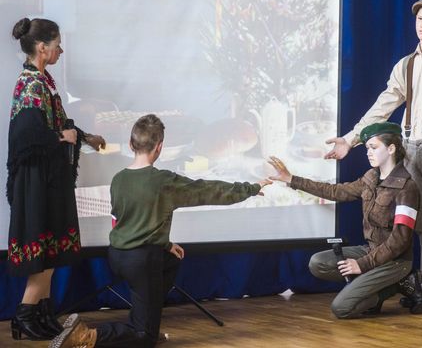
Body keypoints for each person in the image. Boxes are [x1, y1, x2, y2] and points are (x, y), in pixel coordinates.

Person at [49, 114, 271, 348]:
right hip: (142, 260)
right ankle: (86, 335)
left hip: (117, 256)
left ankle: (145, 319)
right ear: (159, 147)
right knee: (144, 337)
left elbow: (124, 221)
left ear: (131, 144)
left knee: (171, 260)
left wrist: (166, 244)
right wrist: (251, 188)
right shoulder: (163, 181)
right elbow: (208, 190)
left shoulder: (119, 179)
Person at [324, 0, 422, 312]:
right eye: (419, 19)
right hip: (410, 148)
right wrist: (351, 139)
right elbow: (384, 105)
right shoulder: (406, 64)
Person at [7, 17, 106, 340]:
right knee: (42, 247)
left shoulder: (42, 80)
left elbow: (57, 123)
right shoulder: (31, 84)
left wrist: (84, 137)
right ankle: (24, 313)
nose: (60, 51)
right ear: (42, 47)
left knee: (50, 248)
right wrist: (63, 137)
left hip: (48, 178)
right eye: (57, 45)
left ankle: (42, 312)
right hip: (37, 180)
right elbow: (27, 135)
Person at [269, 122, 422, 318]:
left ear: (391, 149)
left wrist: (363, 265)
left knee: (341, 308)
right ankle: (375, 286)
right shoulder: (371, 177)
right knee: (318, 263)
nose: (368, 153)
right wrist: (291, 179)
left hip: (395, 261)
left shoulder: (407, 188)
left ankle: (396, 285)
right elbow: (336, 191)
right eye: (367, 148)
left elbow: (400, 241)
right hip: (371, 251)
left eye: (373, 147)